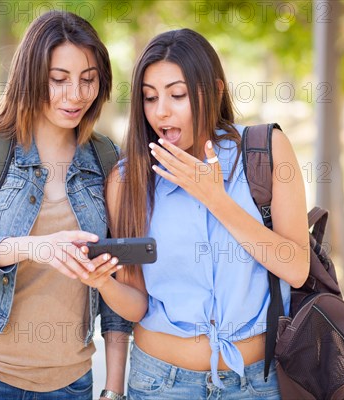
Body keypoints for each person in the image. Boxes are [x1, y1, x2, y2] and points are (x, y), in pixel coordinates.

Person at [97, 29, 310, 399]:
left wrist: (216, 199)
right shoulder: (126, 180)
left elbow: (295, 266)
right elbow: (137, 304)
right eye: (149, 98)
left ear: (214, 91)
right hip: (160, 384)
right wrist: (101, 281)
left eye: (177, 94)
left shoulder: (265, 151)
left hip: (255, 385)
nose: (161, 111)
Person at [0, 11, 130, 400]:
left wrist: (114, 387)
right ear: (30, 77)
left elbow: (118, 278)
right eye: (58, 80)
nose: (75, 95)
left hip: (69, 382)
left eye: (88, 80)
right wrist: (32, 247)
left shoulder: (107, 160)